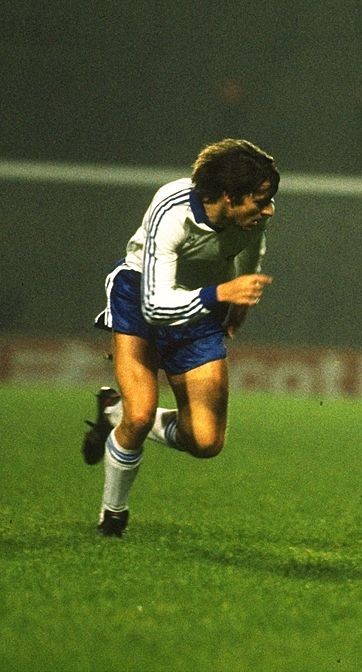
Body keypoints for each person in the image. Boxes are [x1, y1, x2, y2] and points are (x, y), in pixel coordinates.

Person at [82, 138, 280, 537]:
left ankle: (111, 413)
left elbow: (250, 247)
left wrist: (238, 291)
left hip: (202, 304)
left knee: (206, 441)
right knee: (140, 415)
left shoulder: (252, 216)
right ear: (228, 197)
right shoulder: (171, 211)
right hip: (140, 297)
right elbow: (156, 305)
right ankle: (112, 516)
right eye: (260, 201)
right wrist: (221, 294)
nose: (269, 209)